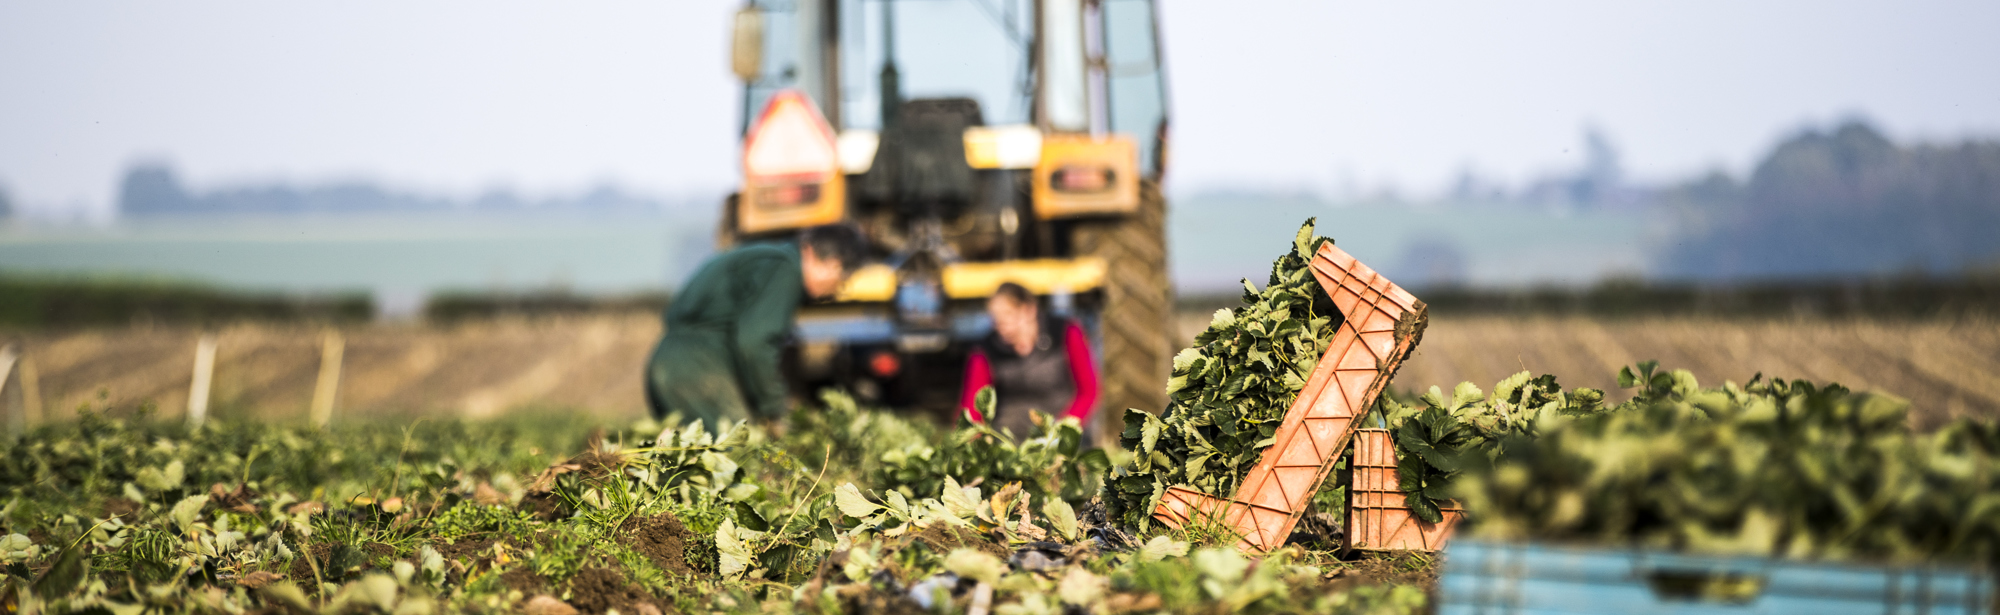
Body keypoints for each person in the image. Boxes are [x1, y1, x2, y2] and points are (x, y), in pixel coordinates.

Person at [645, 224, 867, 434]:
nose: (835, 290)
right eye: (839, 278)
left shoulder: (765, 259)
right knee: (741, 455)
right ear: (830, 262)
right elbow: (755, 342)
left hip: (670, 361)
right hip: (697, 366)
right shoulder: (784, 268)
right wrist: (775, 409)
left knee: (689, 464)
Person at [957, 282, 1100, 437]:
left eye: (1009, 315)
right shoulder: (984, 350)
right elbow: (973, 405)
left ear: (1029, 310)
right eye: (996, 319)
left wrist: (1063, 432)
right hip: (1010, 441)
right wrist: (967, 439)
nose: (1002, 325)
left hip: (1062, 435)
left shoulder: (1065, 332)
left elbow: (1088, 391)